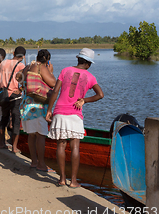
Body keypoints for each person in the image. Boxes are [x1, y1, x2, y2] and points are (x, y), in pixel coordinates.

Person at [46, 48, 104, 188]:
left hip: (60, 111)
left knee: (61, 144)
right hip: (75, 113)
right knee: (75, 146)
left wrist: (49, 110)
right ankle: (73, 181)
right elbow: (100, 95)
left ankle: (61, 179)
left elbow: (55, 91)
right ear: (89, 64)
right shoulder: (90, 77)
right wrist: (84, 100)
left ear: (78, 59)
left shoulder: (65, 70)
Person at [20, 49, 56, 172]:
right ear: (46, 59)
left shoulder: (28, 66)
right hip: (38, 106)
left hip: (27, 104)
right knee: (41, 135)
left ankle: (34, 161)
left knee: (31, 135)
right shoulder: (41, 67)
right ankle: (41, 163)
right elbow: (53, 83)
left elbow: (18, 77)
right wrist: (50, 72)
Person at [0, 46, 26, 152]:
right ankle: (14, 147)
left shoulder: (3, 63)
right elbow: (25, 80)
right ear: (23, 56)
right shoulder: (21, 65)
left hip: (3, 94)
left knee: (3, 118)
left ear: (13, 53)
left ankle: (1, 143)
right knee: (15, 120)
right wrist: (21, 89)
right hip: (14, 95)